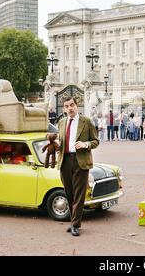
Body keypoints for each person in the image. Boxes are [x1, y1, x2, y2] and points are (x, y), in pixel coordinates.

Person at [57, 96, 99, 237]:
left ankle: (75, 224)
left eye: (72, 105)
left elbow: (95, 141)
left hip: (80, 160)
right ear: (64, 108)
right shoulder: (61, 122)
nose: (70, 108)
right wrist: (56, 145)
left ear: (77, 106)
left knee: (79, 195)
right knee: (69, 193)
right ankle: (73, 221)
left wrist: (85, 144)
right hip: (65, 160)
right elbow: (61, 142)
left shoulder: (86, 121)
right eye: (67, 106)